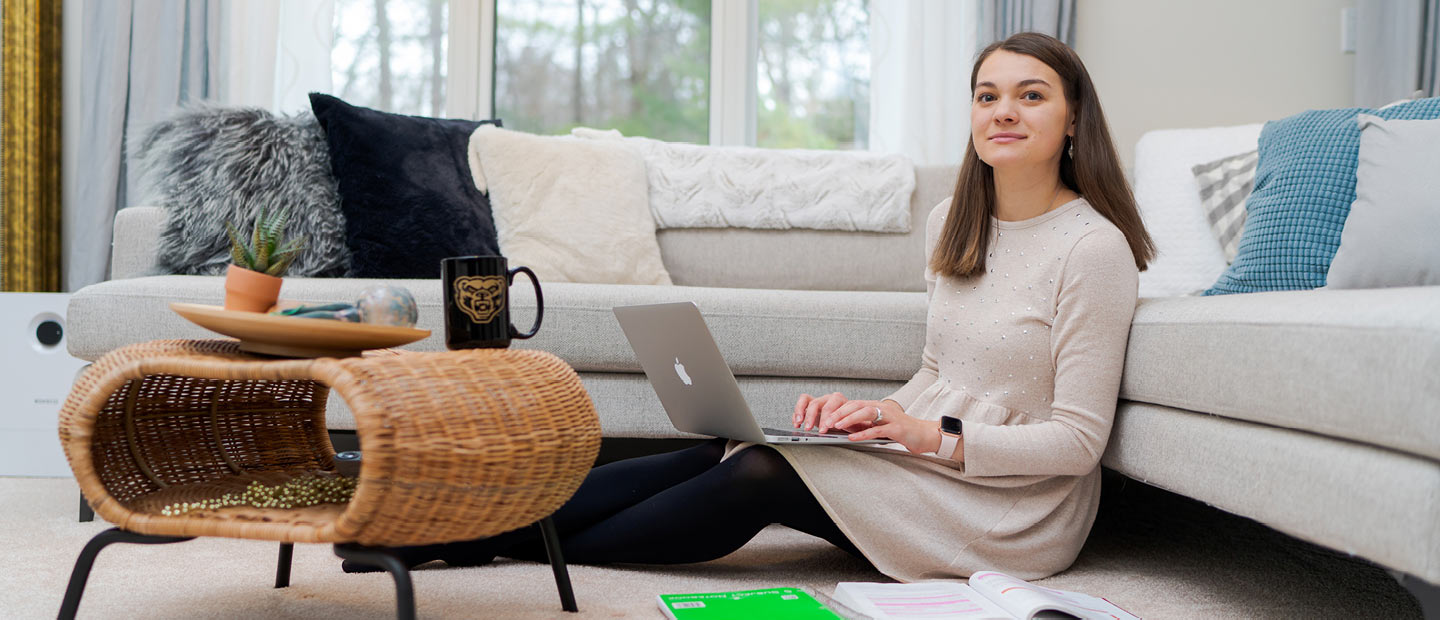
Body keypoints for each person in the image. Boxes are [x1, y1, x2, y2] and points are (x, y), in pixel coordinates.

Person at [343, 31, 1154, 581]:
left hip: (1013, 513)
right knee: (721, 451)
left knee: (761, 474)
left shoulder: (1093, 248)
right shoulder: (955, 225)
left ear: (1073, 117)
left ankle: (454, 536)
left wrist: (927, 436)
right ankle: (450, 525)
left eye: (1030, 95)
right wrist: (873, 417)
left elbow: (1078, 444)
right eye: (987, 95)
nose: (1003, 111)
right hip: (931, 460)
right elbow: (940, 371)